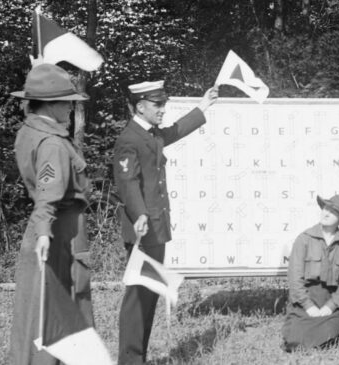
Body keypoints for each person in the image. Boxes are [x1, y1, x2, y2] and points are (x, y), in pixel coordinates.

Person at [114, 80, 218, 364]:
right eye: (158, 105)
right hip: (142, 229)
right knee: (138, 297)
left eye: (164, 104)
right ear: (141, 106)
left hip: (157, 229)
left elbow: (176, 130)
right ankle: (129, 360)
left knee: (150, 295)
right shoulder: (129, 138)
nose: (163, 110)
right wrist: (141, 214)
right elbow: (127, 182)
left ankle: (139, 358)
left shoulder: (151, 134)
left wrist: (203, 105)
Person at [9, 64, 94, 365]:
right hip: (61, 234)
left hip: (43, 230)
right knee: (60, 309)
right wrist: (46, 229)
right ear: (49, 103)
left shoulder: (28, 131)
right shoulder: (53, 143)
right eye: (67, 102)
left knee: (36, 308)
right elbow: (49, 190)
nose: (71, 108)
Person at [281, 195, 339, 351]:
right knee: (295, 340)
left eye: (332, 212)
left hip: (332, 303)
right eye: (326, 208)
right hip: (305, 301)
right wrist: (309, 307)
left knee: (330, 331)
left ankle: (331, 331)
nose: (326, 213)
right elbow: (295, 279)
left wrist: (330, 307)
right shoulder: (304, 239)